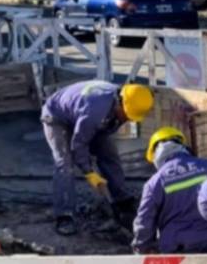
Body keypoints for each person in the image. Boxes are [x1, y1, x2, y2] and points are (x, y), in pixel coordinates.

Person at [41, 80, 153, 236]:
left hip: (80, 115)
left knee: (109, 154)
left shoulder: (120, 100)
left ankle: (122, 201)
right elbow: (78, 145)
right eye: (127, 115)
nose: (129, 119)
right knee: (64, 164)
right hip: (56, 117)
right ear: (120, 104)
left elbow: (102, 133)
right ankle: (64, 216)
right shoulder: (95, 111)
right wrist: (89, 173)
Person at [132, 127, 207, 255]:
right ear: (182, 145)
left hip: (178, 249)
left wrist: (142, 247)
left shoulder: (155, 183)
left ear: (155, 155)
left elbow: (144, 221)